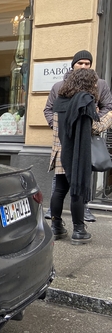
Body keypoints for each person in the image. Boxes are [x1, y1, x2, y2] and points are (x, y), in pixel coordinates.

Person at [43, 50, 112, 222]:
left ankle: (78, 215)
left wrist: (93, 123)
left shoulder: (99, 85)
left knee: (81, 181)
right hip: (63, 141)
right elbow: (49, 110)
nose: (83, 66)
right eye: (80, 63)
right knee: (61, 182)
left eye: (87, 63)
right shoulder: (60, 86)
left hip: (86, 141)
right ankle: (64, 220)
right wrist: (59, 127)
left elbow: (107, 106)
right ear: (73, 64)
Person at [48, 68, 100, 244]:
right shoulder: (85, 101)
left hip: (61, 149)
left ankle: (56, 227)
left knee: (60, 189)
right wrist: (107, 118)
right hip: (78, 152)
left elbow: (56, 127)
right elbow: (93, 129)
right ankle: (79, 230)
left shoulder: (60, 101)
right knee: (77, 190)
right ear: (86, 82)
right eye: (93, 81)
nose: (95, 85)